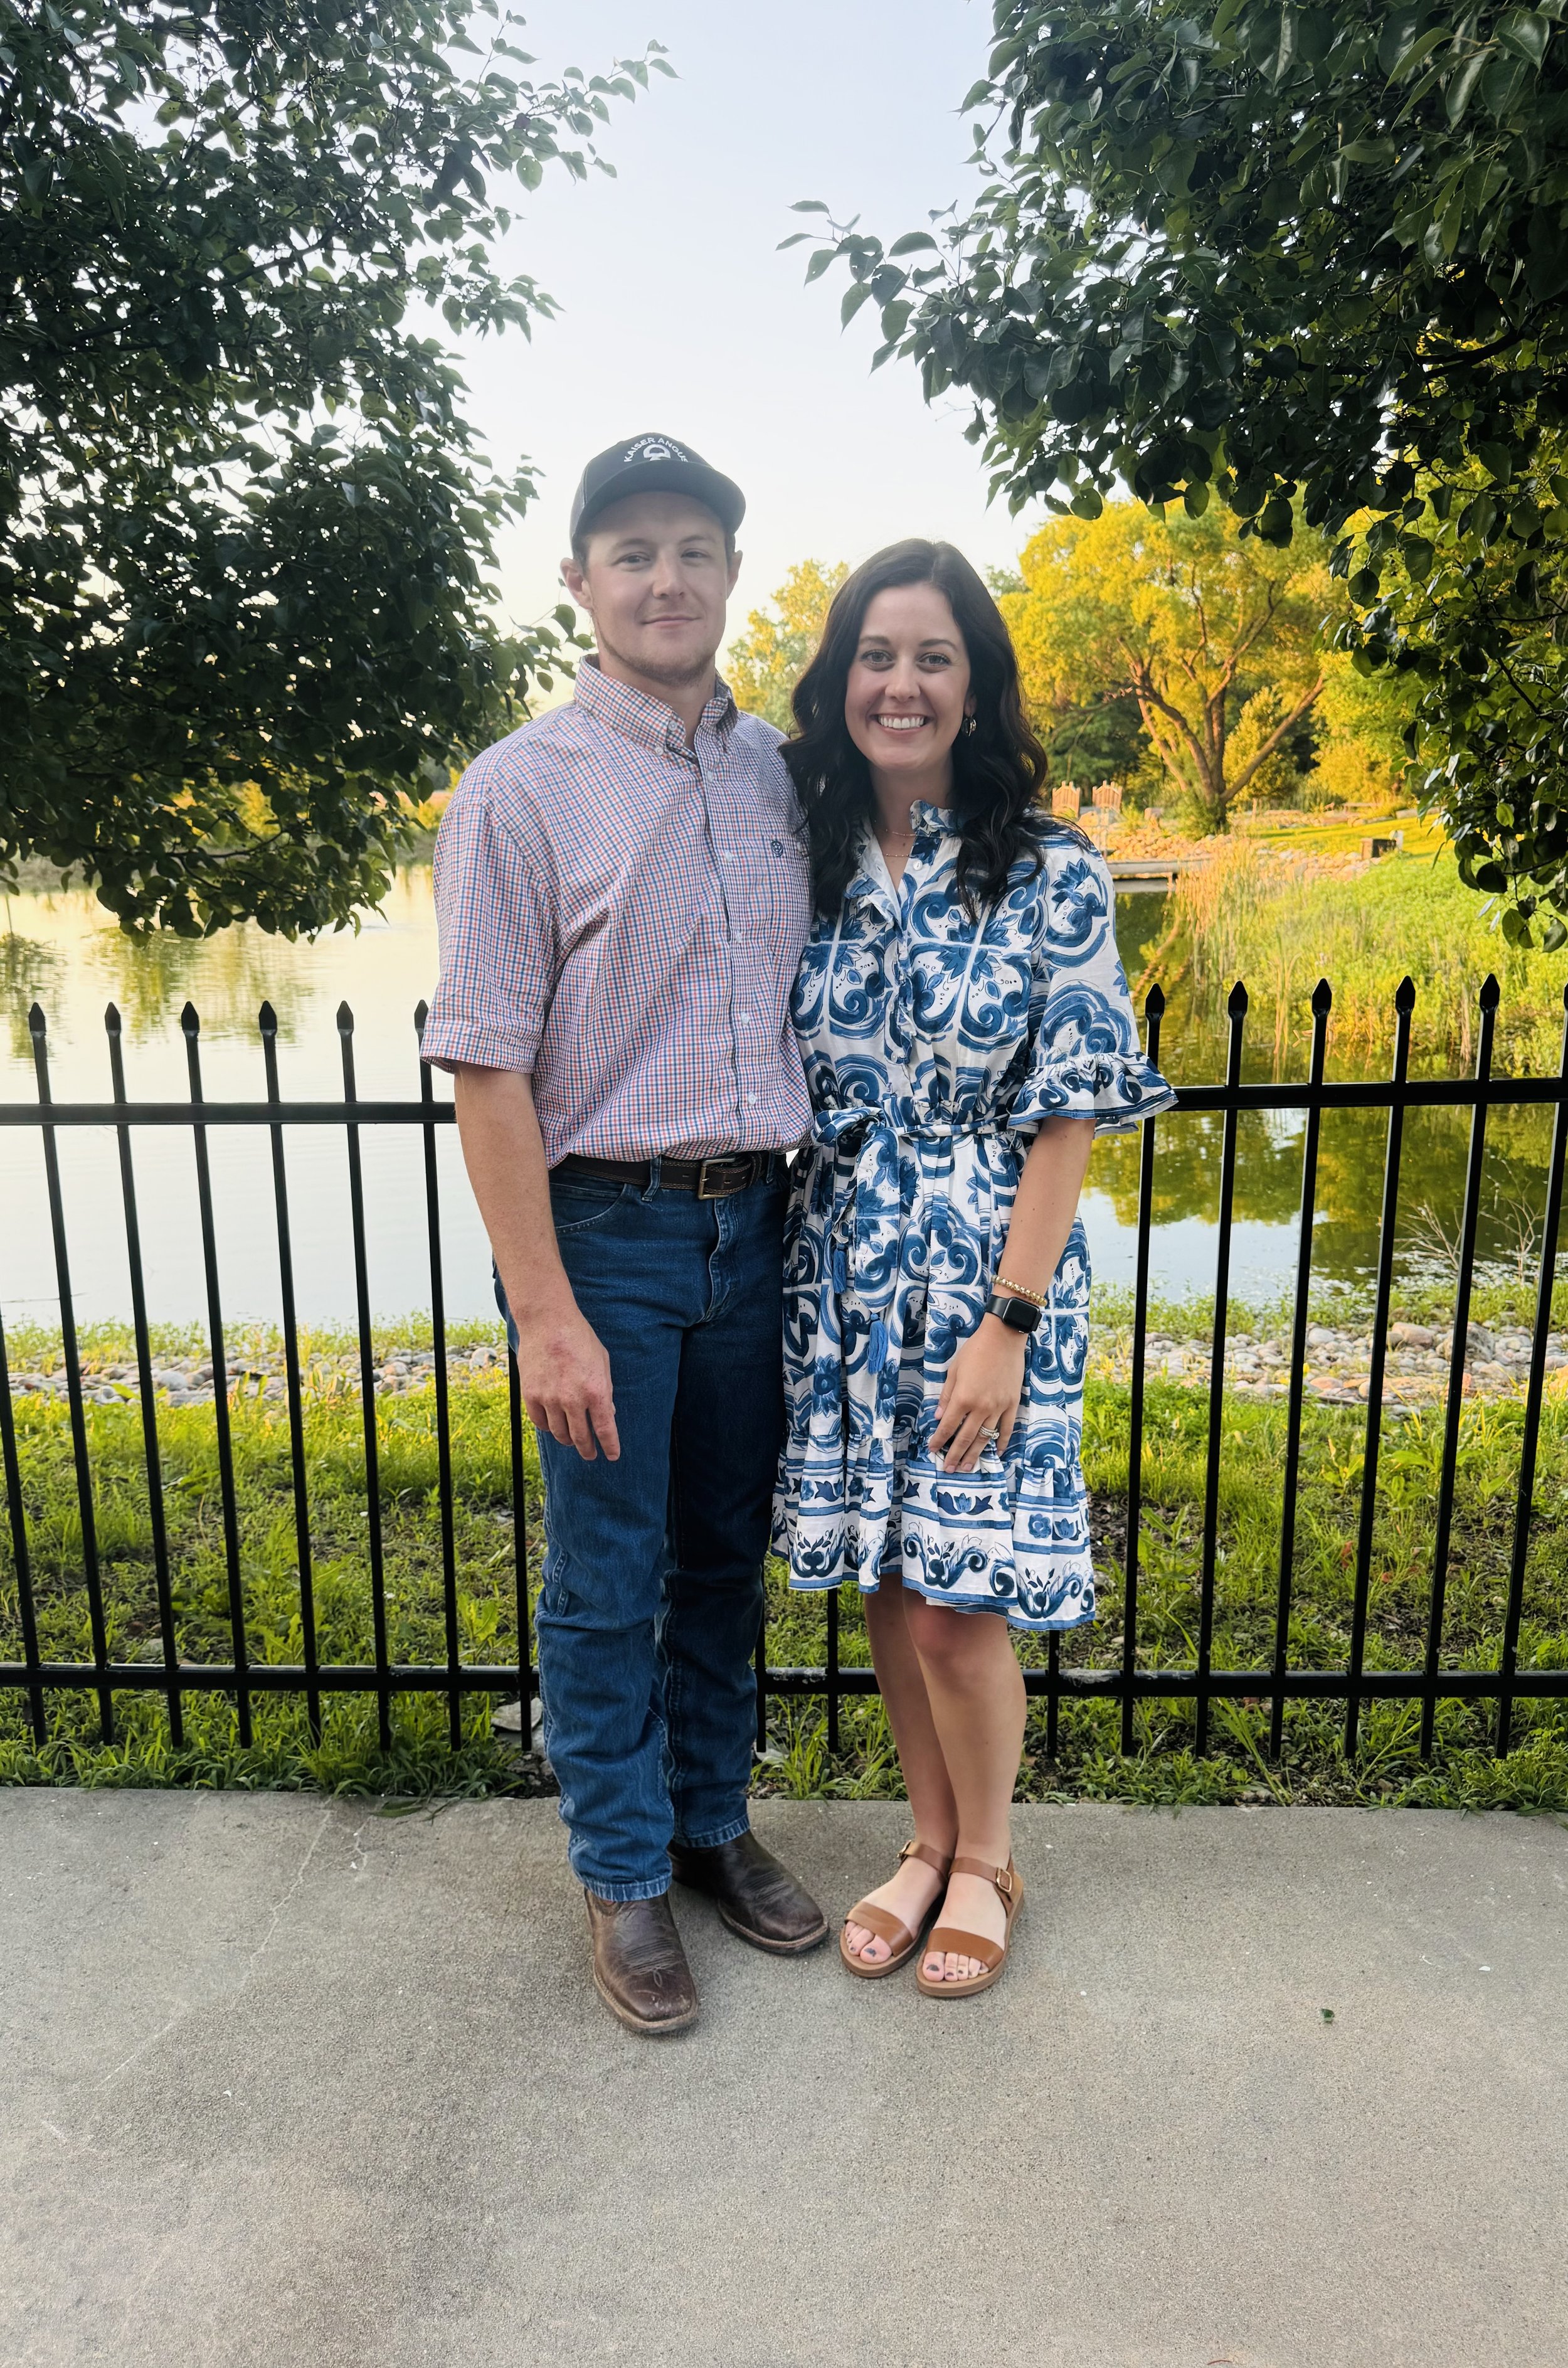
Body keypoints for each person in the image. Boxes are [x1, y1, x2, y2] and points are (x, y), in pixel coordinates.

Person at [423, 434, 827, 2037]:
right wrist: (544, 1311)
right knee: (609, 1575)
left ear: (731, 574)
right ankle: (618, 1869)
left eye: (693, 549)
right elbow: (486, 1064)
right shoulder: (519, 790)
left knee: (726, 1556)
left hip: (761, 1222)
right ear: (579, 583)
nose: (666, 578)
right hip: (610, 1234)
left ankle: (708, 1820)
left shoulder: (778, 773)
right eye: (631, 551)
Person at [774, 540, 1174, 1999]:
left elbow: (1068, 1112)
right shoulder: (804, 855)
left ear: (975, 682)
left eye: (933, 656)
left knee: (960, 1600)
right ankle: (925, 1841)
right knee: (890, 1577)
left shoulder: (1048, 867)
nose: (900, 683)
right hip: (842, 1274)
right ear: (839, 680)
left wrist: (1006, 1318)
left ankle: (993, 1855)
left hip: (987, 1280)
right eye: (876, 655)